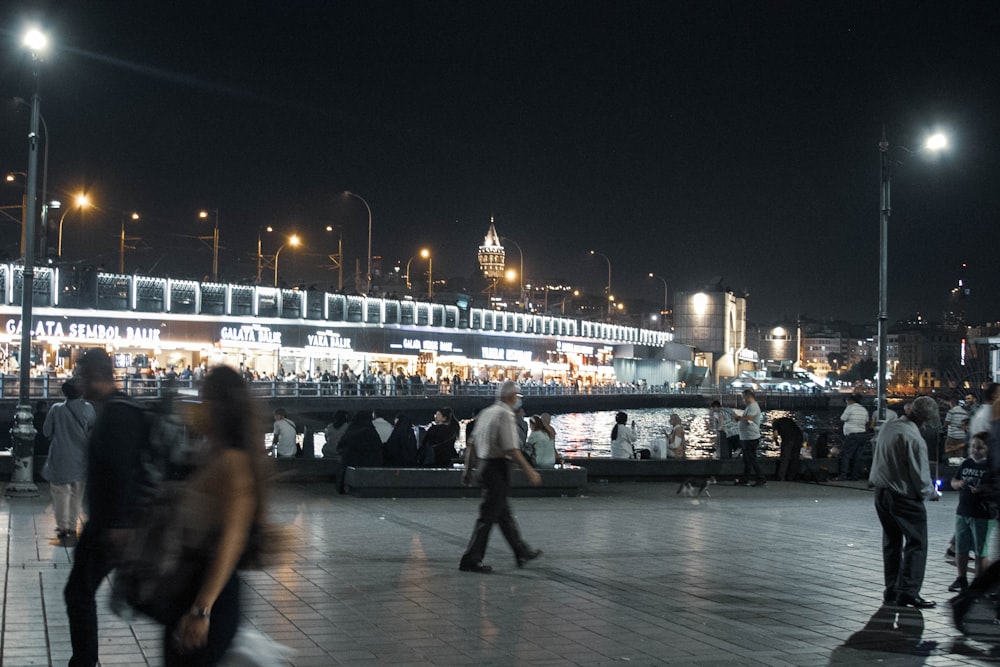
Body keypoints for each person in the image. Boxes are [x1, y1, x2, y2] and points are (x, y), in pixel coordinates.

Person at [162, 365, 272, 666]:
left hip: (209, 593)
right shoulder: (209, 453)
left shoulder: (232, 463)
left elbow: (232, 538)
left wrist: (202, 610)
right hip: (189, 586)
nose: (199, 405)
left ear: (222, 406)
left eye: (206, 398)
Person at [64, 348, 150, 667]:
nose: (78, 382)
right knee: (79, 591)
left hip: (111, 524)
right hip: (106, 521)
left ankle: (84, 662)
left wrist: (119, 523)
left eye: (80, 375)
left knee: (78, 592)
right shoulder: (113, 409)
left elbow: (119, 467)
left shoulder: (118, 413)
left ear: (95, 375)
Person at [459, 380, 541, 573]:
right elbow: (511, 448)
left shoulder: (486, 413)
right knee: (488, 516)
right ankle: (471, 559)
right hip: (498, 468)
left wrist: (467, 470)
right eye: (517, 396)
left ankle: (521, 551)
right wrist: (530, 471)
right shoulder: (505, 415)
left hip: (484, 466)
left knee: (502, 514)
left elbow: (471, 444)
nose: (517, 400)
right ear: (511, 396)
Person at [868, 395, 940, 609]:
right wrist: (931, 493)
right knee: (916, 543)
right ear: (926, 420)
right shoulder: (915, 439)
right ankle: (908, 592)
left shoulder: (890, 425)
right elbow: (920, 476)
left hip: (881, 493)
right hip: (903, 497)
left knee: (891, 542)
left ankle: (891, 590)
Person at [42, 377, 96, 545]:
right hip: (80, 458)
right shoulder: (88, 409)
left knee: (60, 494)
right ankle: (73, 526)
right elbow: (92, 431)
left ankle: (62, 526)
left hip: (59, 458)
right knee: (76, 494)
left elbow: (46, 432)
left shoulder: (56, 409)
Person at [948, 433, 990, 594]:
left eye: (980, 447)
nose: (975, 450)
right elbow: (953, 481)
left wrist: (982, 489)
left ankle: (979, 582)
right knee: (961, 547)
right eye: (973, 447)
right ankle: (961, 578)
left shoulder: (991, 467)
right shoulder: (966, 463)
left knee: (980, 550)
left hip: (983, 514)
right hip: (963, 511)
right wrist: (959, 483)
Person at [735, 389, 766, 487]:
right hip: (746, 437)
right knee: (747, 459)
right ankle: (746, 479)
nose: (743, 399)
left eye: (743, 397)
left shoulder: (753, 406)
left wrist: (739, 418)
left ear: (748, 397)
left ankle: (761, 478)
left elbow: (750, 419)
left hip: (751, 437)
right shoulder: (750, 406)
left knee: (751, 459)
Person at [838, 394, 870, 481]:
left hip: (852, 435)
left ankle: (843, 475)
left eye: (847, 402)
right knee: (858, 456)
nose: (846, 403)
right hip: (862, 434)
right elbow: (867, 421)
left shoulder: (850, 408)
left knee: (846, 455)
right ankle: (855, 476)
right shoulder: (864, 409)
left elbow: (843, 418)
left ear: (850, 401)